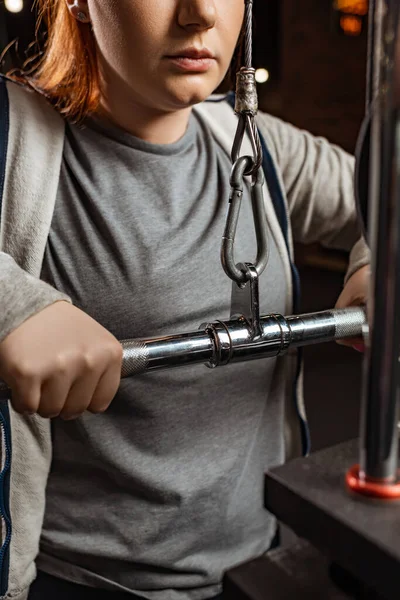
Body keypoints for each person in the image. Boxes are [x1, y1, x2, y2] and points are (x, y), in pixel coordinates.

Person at [0, 1, 369, 599]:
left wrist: (376, 258)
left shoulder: (257, 146)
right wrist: (11, 304)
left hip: (259, 568)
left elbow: (387, 199)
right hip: (79, 582)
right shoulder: (13, 137)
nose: (200, 14)